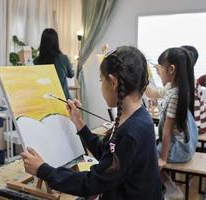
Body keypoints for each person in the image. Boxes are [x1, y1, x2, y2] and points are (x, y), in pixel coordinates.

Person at [21, 46, 164, 200]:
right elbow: (107, 154)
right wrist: (79, 123)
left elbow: (91, 183)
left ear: (113, 82)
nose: (101, 86)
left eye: (101, 80)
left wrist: (43, 170)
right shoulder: (139, 117)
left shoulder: (131, 132)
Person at [156, 47, 198, 167]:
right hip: (181, 148)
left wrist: (163, 160)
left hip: (175, 150)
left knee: (142, 154)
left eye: (160, 67)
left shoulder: (175, 96)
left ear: (171, 69)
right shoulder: (177, 90)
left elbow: (167, 132)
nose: (159, 71)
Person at [34, 28, 74, 100]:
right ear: (56, 42)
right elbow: (71, 75)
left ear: (42, 42)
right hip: (63, 100)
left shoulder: (36, 61)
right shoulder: (63, 58)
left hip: (44, 100)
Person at [181, 45, 206, 134]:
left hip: (196, 126)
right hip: (196, 124)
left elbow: (195, 114)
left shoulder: (189, 83)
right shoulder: (190, 79)